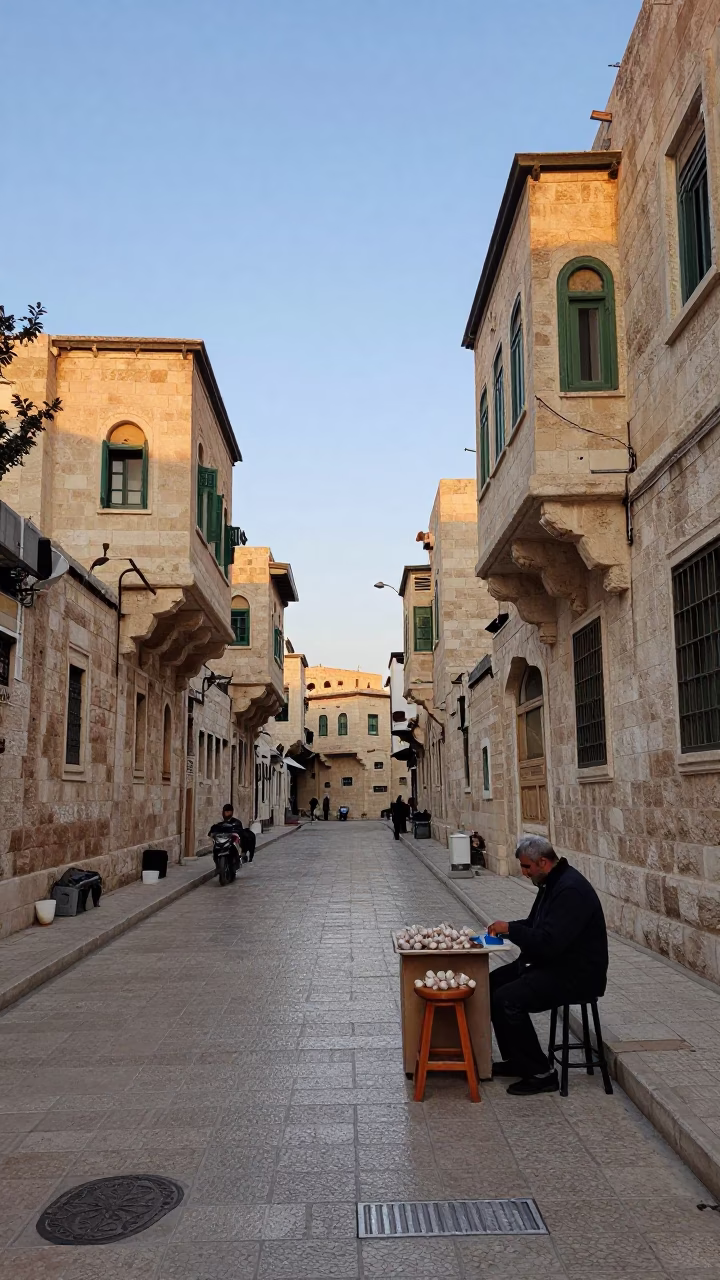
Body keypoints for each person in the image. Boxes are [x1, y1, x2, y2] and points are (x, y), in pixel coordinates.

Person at [487, 835, 608, 1097]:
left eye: (527, 867)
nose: (523, 872)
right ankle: (518, 1059)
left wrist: (512, 930)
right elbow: (535, 925)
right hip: (553, 964)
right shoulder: (551, 883)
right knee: (492, 983)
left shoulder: (570, 890)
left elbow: (549, 942)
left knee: (508, 999)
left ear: (543, 862)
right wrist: (506, 928)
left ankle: (541, 1073)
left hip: (575, 974)